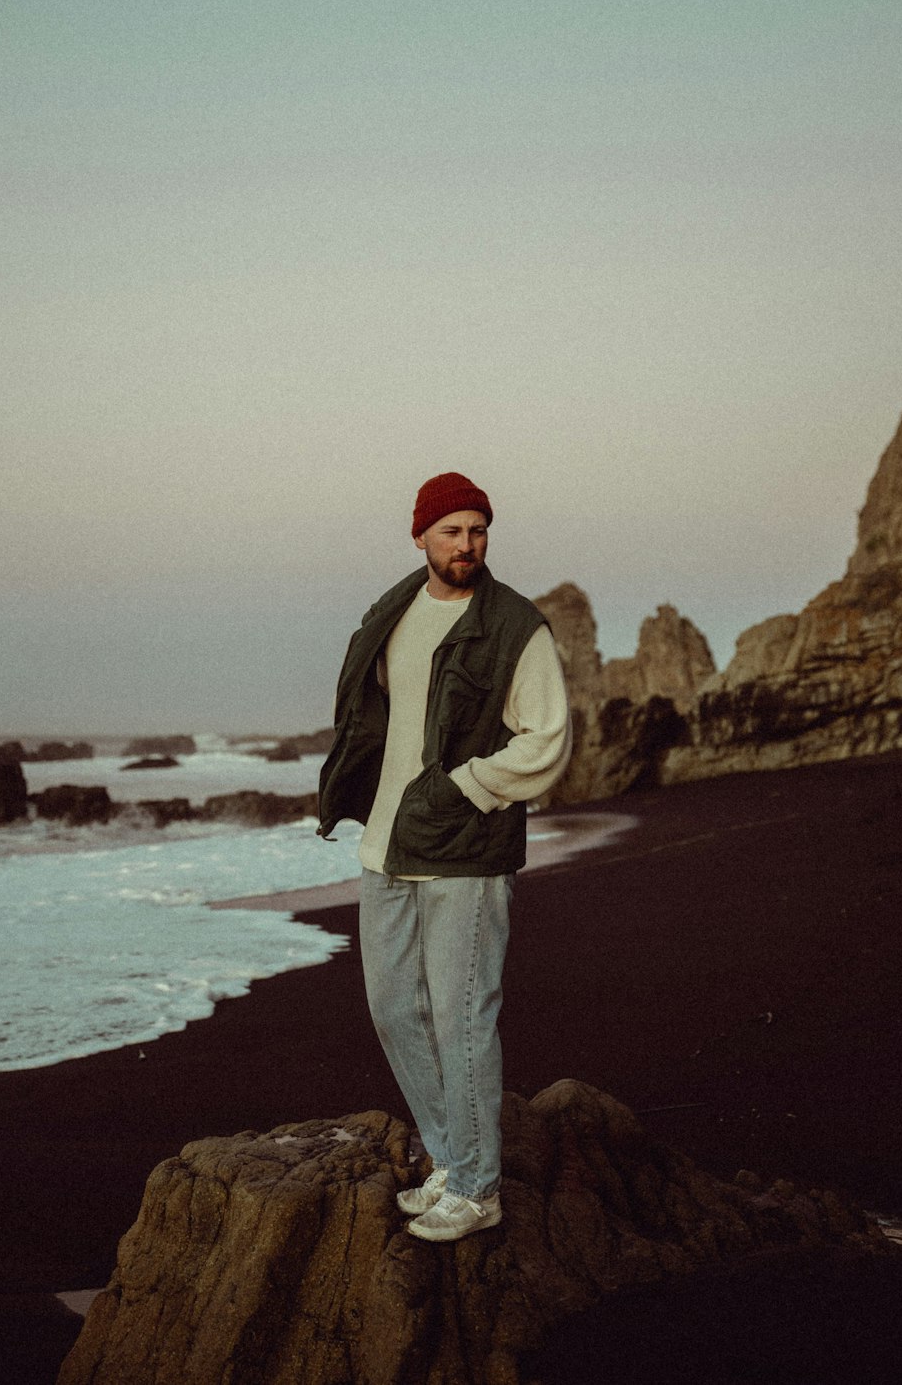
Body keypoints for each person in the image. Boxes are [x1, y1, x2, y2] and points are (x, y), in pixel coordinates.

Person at [317, 472, 571, 1242]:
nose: (467, 545)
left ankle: (478, 1188)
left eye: (478, 530)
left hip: (465, 844)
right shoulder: (390, 612)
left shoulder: (514, 626)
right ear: (421, 535)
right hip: (388, 841)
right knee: (395, 1009)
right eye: (452, 530)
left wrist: (465, 787)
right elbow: (371, 719)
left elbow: (547, 740)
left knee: (462, 1017)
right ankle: (453, 1161)